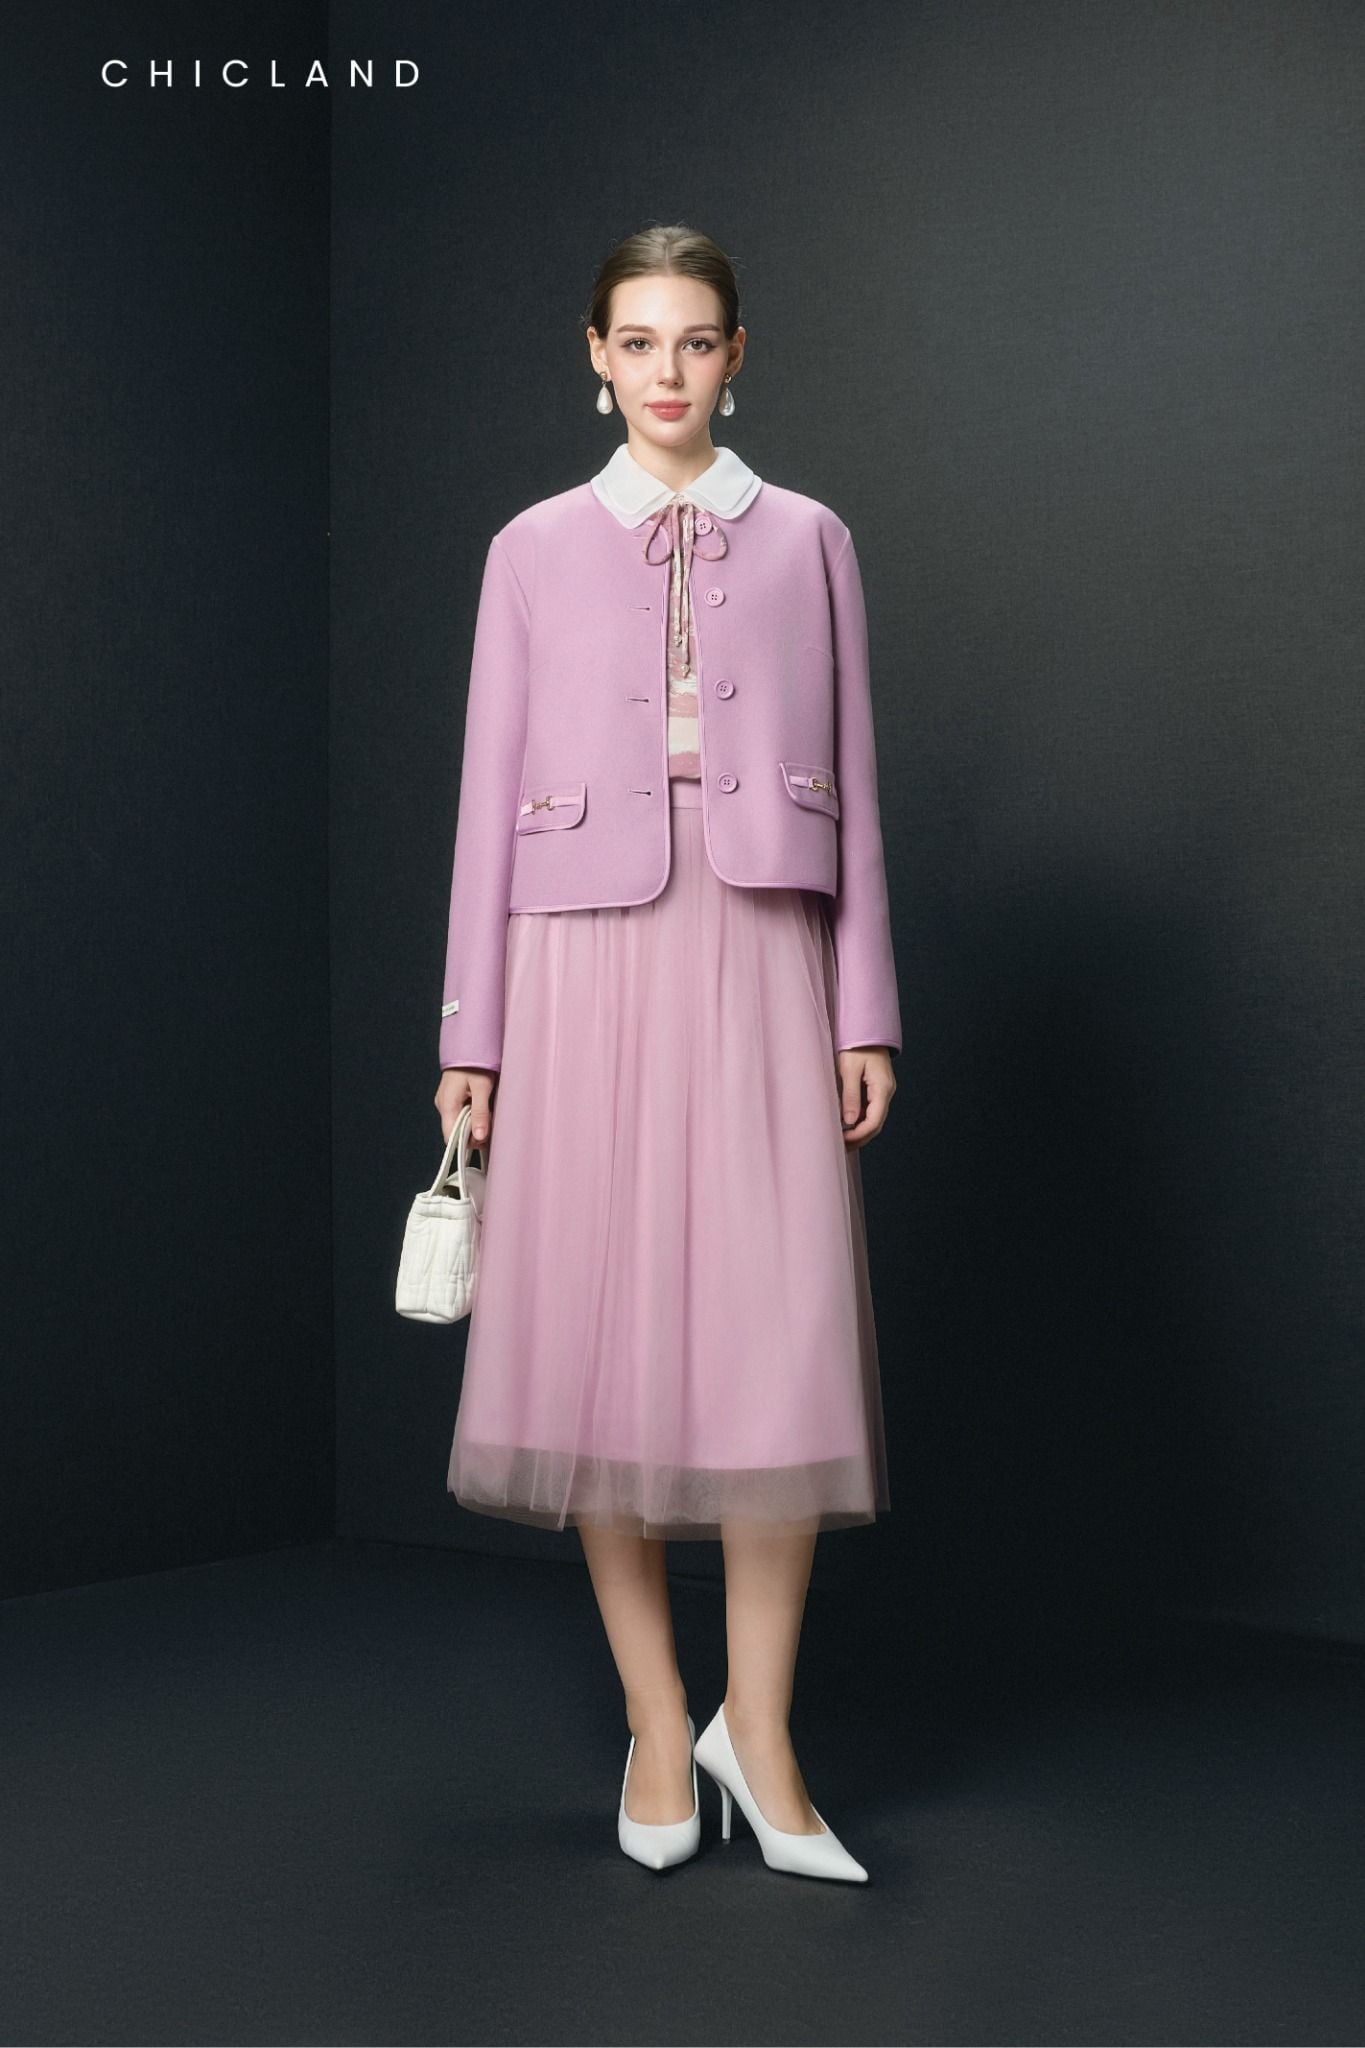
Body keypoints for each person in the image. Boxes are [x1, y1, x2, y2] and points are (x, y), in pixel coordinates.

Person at [432, 224, 900, 1881]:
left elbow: (855, 780)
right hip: (574, 951)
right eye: (637, 341)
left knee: (778, 1334)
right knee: (593, 1335)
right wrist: (470, 1032)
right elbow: (485, 794)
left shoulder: (812, 540)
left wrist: (864, 1007)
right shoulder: (530, 548)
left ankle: (756, 1733)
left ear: (735, 354)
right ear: (594, 355)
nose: (666, 372)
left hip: (764, 939)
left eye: (695, 341)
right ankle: (654, 1718)